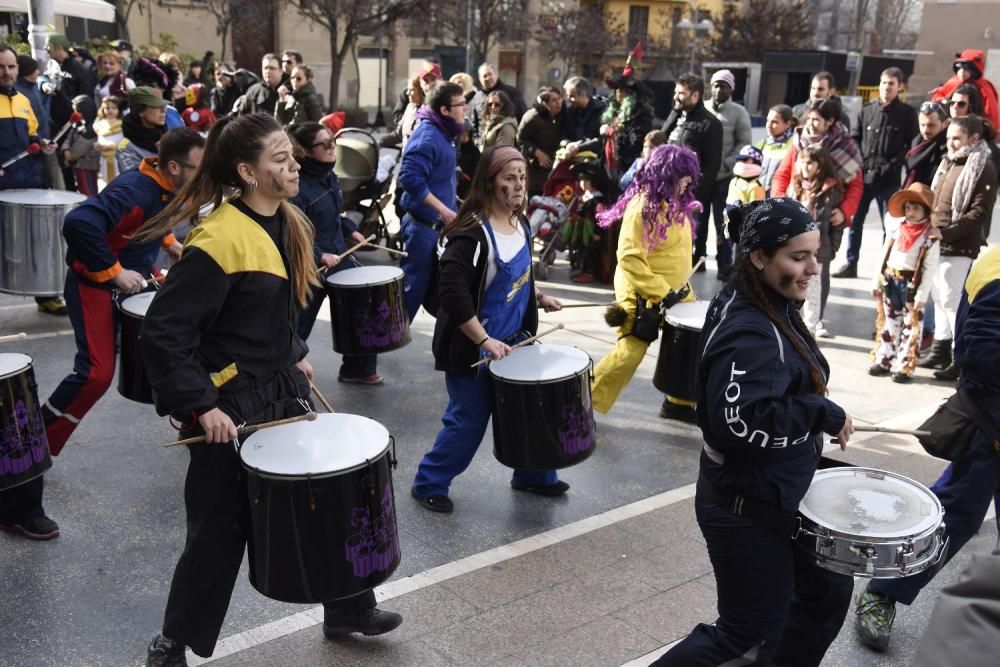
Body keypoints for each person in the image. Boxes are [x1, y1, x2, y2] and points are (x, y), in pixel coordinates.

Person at [135, 113, 402, 666]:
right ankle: (170, 643)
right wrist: (199, 404)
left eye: (291, 156)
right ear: (246, 172)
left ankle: (348, 606)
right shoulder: (218, 239)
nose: (293, 164)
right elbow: (164, 331)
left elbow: (262, 314)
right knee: (217, 532)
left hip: (279, 385)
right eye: (280, 159)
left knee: (328, 495)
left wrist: (295, 356)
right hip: (229, 402)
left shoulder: (285, 219)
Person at [652, 198, 855, 667]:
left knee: (824, 591)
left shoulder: (767, 296)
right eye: (797, 257)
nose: (811, 268)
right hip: (745, 506)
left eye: (815, 254)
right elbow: (738, 426)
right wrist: (817, 412)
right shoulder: (751, 331)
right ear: (759, 257)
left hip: (773, 490)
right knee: (745, 633)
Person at [0, 129, 201, 544]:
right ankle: (36, 447)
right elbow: (79, 222)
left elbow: (146, 222)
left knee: (180, 345)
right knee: (95, 375)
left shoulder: (164, 188)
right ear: (175, 167)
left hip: (131, 281)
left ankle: (197, 426)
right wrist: (112, 271)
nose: (204, 177)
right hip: (93, 285)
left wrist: (169, 244)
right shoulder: (134, 187)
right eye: (199, 169)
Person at [855, 241, 1000, 653]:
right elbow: (981, 352)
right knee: (955, 514)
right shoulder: (996, 267)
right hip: (989, 422)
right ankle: (882, 591)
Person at [410, 146, 564, 514]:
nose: (518, 186)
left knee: (530, 412)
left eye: (522, 178)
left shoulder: (520, 223)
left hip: (516, 340)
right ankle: (428, 482)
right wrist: (483, 339)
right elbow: (452, 294)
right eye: (509, 178)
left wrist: (539, 294)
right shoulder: (469, 234)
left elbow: (517, 275)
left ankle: (533, 476)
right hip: (474, 348)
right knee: (468, 421)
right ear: (490, 182)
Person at [589, 145, 700, 416]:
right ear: (666, 174)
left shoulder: (677, 203)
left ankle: (679, 402)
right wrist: (661, 293)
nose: (688, 181)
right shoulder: (641, 208)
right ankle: (582, 404)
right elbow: (629, 258)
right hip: (640, 290)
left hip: (676, 290)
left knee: (689, 344)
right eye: (683, 175)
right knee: (630, 352)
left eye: (690, 175)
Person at [288, 122, 382, 384]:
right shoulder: (297, 186)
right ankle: (283, 370)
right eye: (325, 144)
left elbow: (335, 215)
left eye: (333, 141)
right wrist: (319, 254)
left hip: (338, 255)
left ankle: (358, 368)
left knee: (363, 303)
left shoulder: (330, 176)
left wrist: (351, 229)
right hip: (310, 264)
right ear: (306, 152)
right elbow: (295, 232)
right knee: (297, 324)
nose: (333, 147)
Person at [917, 115, 998, 382]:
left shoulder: (982, 166)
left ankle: (958, 356)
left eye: (956, 138)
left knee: (952, 301)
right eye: (949, 137)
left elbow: (978, 213)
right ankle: (940, 348)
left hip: (960, 244)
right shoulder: (950, 162)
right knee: (939, 297)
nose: (950, 143)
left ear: (973, 139)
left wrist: (946, 232)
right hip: (939, 241)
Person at [836, 67, 919, 278]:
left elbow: (910, 147)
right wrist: (858, 164)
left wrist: (891, 165)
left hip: (888, 179)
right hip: (863, 177)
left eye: (891, 84)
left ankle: (883, 269)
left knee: (889, 226)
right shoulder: (867, 111)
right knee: (855, 223)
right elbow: (854, 139)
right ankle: (851, 263)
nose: (887, 87)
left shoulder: (907, 114)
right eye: (884, 83)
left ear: (899, 87)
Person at [0, 46, 63, 316]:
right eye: (1, 67)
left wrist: (43, 144)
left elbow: (32, 138)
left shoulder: (24, 101)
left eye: (11, 66)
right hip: (2, 185)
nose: (7, 72)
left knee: (37, 242)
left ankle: (45, 295)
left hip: (29, 181)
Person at [397, 81, 463, 321]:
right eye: (460, 105)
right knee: (410, 293)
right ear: (444, 110)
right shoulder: (428, 135)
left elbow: (437, 179)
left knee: (440, 292)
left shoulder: (443, 133)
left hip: (437, 229)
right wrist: (444, 211)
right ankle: (377, 346)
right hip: (422, 229)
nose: (465, 109)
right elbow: (410, 179)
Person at [771, 98, 864, 260]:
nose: (810, 124)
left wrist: (844, 211)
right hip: (795, 214)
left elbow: (856, 186)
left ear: (829, 121)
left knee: (817, 275)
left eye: (816, 120)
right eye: (809, 119)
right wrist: (781, 202)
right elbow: (782, 175)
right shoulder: (799, 141)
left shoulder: (845, 147)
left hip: (826, 220)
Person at [869, 183, 939, 382]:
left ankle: (904, 365)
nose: (911, 212)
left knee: (911, 325)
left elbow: (929, 268)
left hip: (912, 286)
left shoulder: (930, 236)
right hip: (892, 280)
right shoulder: (897, 229)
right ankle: (885, 359)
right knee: (890, 322)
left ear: (926, 210)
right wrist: (877, 279)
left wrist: (922, 294)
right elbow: (884, 254)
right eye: (908, 207)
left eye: (916, 208)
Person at [662, 73, 723, 274]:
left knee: (687, 239)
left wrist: (696, 199)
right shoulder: (676, 114)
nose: (676, 97)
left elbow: (711, 166)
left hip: (689, 193)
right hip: (665, 189)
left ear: (695, 95)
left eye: (681, 93)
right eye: (675, 92)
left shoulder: (711, 124)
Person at [785, 146, 844, 338]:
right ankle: (792, 326)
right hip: (793, 250)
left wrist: (833, 246)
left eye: (810, 162)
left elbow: (836, 224)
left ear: (820, 166)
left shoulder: (829, 191)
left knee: (812, 291)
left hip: (817, 251)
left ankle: (810, 329)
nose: (805, 166)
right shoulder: (795, 187)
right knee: (791, 287)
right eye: (802, 161)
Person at [706, 69, 752, 280]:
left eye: (723, 85)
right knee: (697, 219)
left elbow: (744, 144)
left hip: (725, 177)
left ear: (731, 89)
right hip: (702, 176)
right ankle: (697, 258)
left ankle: (724, 265)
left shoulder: (739, 112)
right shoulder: (704, 108)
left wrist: (726, 163)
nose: (718, 89)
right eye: (715, 85)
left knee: (722, 223)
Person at [600, 69, 654, 186]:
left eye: (622, 90)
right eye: (616, 90)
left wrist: (616, 132)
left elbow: (636, 142)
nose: (618, 93)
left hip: (627, 168)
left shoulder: (640, 114)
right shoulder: (615, 112)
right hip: (609, 166)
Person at [930, 48, 999, 128]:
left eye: (966, 68)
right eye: (959, 68)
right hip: (950, 123)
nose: (962, 71)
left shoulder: (984, 86)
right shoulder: (954, 81)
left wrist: (990, 128)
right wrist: (943, 101)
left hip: (974, 125)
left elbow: (991, 112)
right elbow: (939, 97)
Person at [518, 86, 565, 197]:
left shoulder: (563, 115)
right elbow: (520, 139)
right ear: (545, 103)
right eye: (554, 100)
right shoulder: (532, 117)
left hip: (555, 167)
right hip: (535, 170)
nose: (558, 103)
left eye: (559, 99)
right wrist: (537, 152)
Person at [470, 62, 526, 143]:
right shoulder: (477, 97)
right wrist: (477, 141)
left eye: (490, 74)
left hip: (507, 142)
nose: (488, 78)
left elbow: (522, 117)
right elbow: (475, 124)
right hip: (483, 146)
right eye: (484, 76)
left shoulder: (511, 92)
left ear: (496, 74)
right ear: (479, 78)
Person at [117, 86, 168, 173]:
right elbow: (135, 181)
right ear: (140, 111)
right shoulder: (126, 147)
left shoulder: (167, 135)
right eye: (155, 106)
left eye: (163, 105)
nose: (163, 110)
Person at [904, 101, 949, 188]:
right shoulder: (916, 142)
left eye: (931, 125)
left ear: (945, 124)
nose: (925, 130)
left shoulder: (947, 147)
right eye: (922, 125)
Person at [61, 95, 100, 196]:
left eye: (78, 110)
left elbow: (80, 148)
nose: (75, 113)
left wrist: (70, 156)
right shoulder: (77, 123)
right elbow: (68, 138)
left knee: (89, 192)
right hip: (77, 165)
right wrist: (66, 151)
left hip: (88, 166)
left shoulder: (93, 127)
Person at [757, 104, 796, 196]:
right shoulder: (762, 144)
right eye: (767, 121)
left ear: (788, 124)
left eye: (774, 122)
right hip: (759, 194)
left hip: (778, 198)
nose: (768, 125)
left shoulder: (794, 144)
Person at [381, 75, 423, 149]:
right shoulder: (409, 108)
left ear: (420, 91)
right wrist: (382, 141)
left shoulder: (427, 112)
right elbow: (399, 134)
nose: (407, 93)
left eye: (412, 90)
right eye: (408, 90)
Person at [562, 76, 606, 145]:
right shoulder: (569, 112)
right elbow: (563, 136)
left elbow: (602, 139)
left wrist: (579, 147)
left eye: (572, 96)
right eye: (567, 96)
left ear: (583, 94)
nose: (569, 99)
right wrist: (568, 144)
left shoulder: (601, 110)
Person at [94, 95, 125, 185]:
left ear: (118, 109)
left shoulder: (122, 124)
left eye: (113, 108)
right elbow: (100, 139)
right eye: (107, 108)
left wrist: (110, 146)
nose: (110, 110)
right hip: (104, 158)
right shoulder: (99, 124)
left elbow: (124, 142)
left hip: (118, 158)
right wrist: (98, 145)